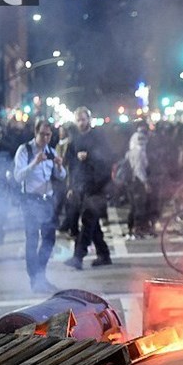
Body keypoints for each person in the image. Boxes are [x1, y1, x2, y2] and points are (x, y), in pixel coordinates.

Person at [13, 120, 66, 293]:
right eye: (42, 134)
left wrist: (58, 165)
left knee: (49, 239)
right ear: (35, 133)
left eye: (48, 135)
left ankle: (40, 275)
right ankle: (35, 280)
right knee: (32, 239)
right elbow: (18, 176)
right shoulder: (25, 150)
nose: (45, 138)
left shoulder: (50, 151)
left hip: (47, 200)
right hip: (30, 200)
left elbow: (61, 175)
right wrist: (34, 163)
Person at [63, 107, 112, 269]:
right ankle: (104, 254)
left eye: (83, 119)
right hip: (82, 185)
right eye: (78, 120)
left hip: (98, 184)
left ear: (89, 119)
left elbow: (106, 158)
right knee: (93, 223)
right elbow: (70, 164)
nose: (81, 123)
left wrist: (89, 157)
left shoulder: (99, 137)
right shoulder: (74, 140)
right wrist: (71, 186)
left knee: (88, 219)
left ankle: (78, 256)